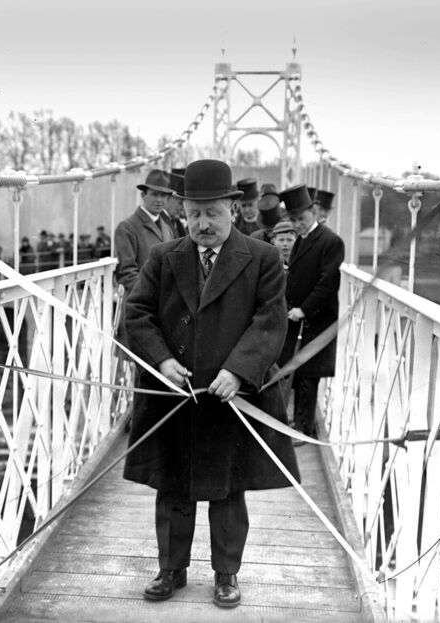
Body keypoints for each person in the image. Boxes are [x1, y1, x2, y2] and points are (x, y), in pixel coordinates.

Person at [123, 159, 300, 609]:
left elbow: (270, 321)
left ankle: (226, 575)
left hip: (231, 397)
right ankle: (171, 569)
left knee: (227, 490)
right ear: (183, 211)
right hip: (174, 396)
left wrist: (238, 370)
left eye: (213, 214)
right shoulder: (164, 258)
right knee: (173, 487)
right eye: (194, 214)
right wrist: (161, 361)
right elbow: (137, 314)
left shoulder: (261, 258)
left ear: (233, 209)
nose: (203, 224)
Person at [276, 184, 344, 444]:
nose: (298, 225)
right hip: (297, 318)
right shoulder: (302, 240)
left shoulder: (330, 242)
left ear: (313, 212)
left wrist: (304, 309)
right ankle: (298, 423)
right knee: (299, 374)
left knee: (308, 377)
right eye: (293, 220)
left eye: (301, 219)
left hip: (316, 321)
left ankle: (303, 429)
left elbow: (328, 283)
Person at [114, 169, 175, 298]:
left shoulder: (167, 229)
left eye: (163, 195)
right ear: (143, 195)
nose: (159, 200)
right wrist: (153, 294)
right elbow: (126, 273)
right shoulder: (127, 227)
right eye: (154, 194)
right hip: (139, 305)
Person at [161, 168, 188, 238]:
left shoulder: (177, 222)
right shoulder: (159, 222)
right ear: (167, 198)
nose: (182, 209)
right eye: (180, 203)